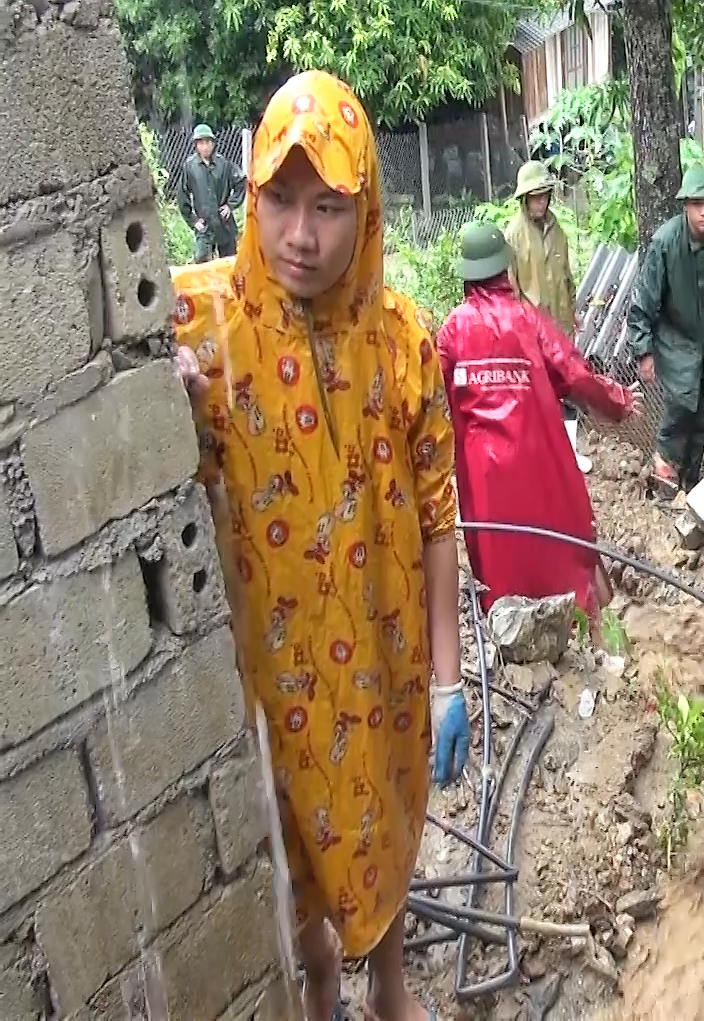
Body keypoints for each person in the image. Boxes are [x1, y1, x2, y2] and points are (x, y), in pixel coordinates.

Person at [171, 71, 465, 1021]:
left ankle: (387, 986)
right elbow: (92, 348)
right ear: (250, 200)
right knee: (292, 855)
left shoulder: (404, 342)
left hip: (382, 659)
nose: (301, 235)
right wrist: (149, 379)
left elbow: (436, 518)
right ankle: (322, 991)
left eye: (330, 207)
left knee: (383, 825)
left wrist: (450, 678)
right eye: (280, 201)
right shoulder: (207, 327)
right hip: (272, 669)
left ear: (365, 206)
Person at [438, 222, 634, 626]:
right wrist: (618, 402)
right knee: (558, 538)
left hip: (483, 469)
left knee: (498, 552)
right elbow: (574, 374)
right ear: (505, 268)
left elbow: (430, 398)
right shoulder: (528, 320)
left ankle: (506, 626)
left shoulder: (452, 331)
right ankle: (579, 617)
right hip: (536, 454)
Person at [627, 164, 704, 493]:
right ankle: (664, 480)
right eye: (696, 205)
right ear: (685, 206)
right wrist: (643, 350)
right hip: (674, 339)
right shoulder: (665, 243)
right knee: (680, 409)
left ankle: (691, 483)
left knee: (699, 412)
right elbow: (644, 299)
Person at [506, 160, 578, 337]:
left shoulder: (556, 230)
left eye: (545, 196)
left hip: (563, 329)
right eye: (536, 197)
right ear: (525, 198)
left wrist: (573, 312)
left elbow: (566, 275)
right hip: (534, 332)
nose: (542, 202)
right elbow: (510, 291)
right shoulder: (513, 236)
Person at [176, 123, 246, 263]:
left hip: (224, 223)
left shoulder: (223, 164)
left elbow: (241, 181)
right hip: (204, 226)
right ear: (196, 145)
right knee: (201, 262)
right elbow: (182, 195)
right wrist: (193, 220)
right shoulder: (190, 167)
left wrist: (230, 205)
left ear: (213, 144)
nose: (205, 146)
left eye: (208, 142)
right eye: (201, 142)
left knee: (230, 264)